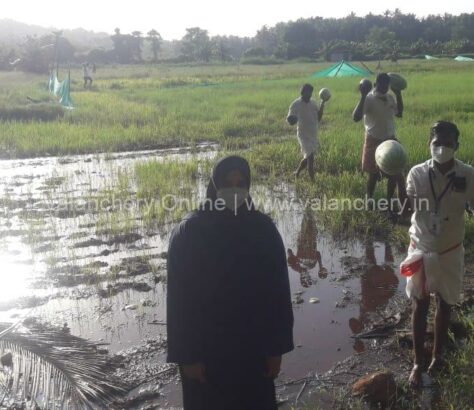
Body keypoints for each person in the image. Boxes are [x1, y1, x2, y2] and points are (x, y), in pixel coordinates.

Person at [166, 155, 294, 410]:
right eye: (227, 183)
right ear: (214, 186)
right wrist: (187, 356)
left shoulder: (263, 230)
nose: (234, 190)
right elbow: (179, 299)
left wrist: (275, 349)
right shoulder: (190, 232)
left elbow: (278, 293)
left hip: (253, 349)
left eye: (240, 183)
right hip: (206, 353)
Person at [403, 121, 474, 387]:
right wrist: (399, 187)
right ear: (429, 145)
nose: (442, 148)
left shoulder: (467, 175)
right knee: (419, 304)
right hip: (421, 248)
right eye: (437, 143)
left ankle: (437, 356)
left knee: (445, 304)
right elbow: (407, 207)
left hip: (449, 250)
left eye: (447, 144)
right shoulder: (416, 173)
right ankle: (418, 362)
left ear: (457, 146)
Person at [352, 73, 407, 211]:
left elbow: (399, 113)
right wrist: (363, 95)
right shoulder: (369, 98)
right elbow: (356, 117)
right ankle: (369, 199)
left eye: (386, 85)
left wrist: (398, 94)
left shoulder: (389, 97)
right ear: (375, 84)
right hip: (373, 139)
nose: (384, 87)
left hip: (389, 139)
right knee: (373, 173)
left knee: (393, 172)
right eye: (380, 84)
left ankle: (388, 202)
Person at [287, 84, 325, 182]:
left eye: (310, 92)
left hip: (313, 134)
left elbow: (319, 118)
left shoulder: (313, 103)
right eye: (307, 92)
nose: (309, 94)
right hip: (303, 135)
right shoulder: (295, 104)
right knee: (311, 158)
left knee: (307, 157)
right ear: (302, 92)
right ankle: (313, 181)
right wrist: (292, 119)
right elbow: (290, 120)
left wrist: (322, 103)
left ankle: (297, 172)